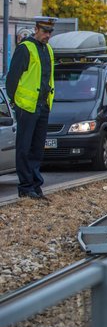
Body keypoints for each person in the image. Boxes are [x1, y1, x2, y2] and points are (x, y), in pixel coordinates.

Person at [5, 16, 57, 200]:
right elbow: (12, 78)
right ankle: (26, 187)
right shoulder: (25, 48)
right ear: (36, 29)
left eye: (50, 32)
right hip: (27, 106)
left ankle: (35, 186)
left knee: (37, 148)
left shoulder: (48, 50)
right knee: (25, 147)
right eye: (45, 31)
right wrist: (15, 102)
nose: (48, 35)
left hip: (42, 105)